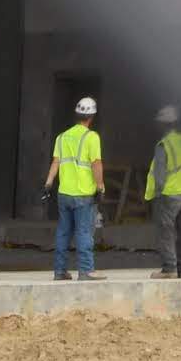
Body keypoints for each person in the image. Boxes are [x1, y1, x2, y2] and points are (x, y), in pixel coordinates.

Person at [46, 93, 105, 279]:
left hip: (64, 193)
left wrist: (48, 183)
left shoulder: (62, 137)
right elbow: (96, 164)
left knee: (63, 233)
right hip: (83, 194)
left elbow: (55, 162)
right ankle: (86, 271)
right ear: (92, 117)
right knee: (84, 232)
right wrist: (100, 186)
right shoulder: (92, 137)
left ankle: (60, 271)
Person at [143, 104, 181, 277]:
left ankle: (169, 268)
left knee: (166, 231)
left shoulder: (163, 144)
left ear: (162, 124)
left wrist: (158, 192)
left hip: (170, 193)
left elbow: (160, 173)